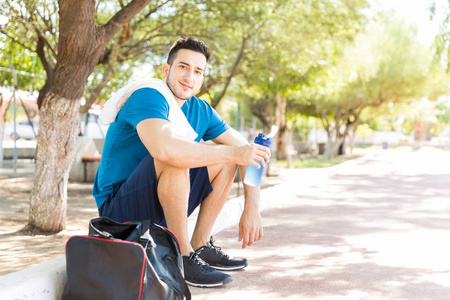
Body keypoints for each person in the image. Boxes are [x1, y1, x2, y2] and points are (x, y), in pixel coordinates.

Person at [93, 37, 271, 288]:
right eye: (183, 67)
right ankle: (182, 256)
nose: (190, 76)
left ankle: (199, 244)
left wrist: (251, 207)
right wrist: (235, 153)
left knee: (228, 157)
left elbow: (247, 151)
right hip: (119, 214)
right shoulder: (148, 96)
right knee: (177, 156)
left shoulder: (201, 109)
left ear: (202, 78)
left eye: (198, 71)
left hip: (161, 202)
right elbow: (165, 150)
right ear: (167, 70)